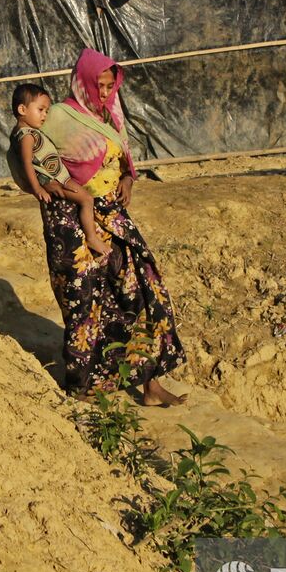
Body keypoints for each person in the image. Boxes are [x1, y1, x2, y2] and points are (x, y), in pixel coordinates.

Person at [38, 47, 186, 406]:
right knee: (86, 301)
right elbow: (32, 156)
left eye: (109, 85)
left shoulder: (110, 115)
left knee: (145, 289)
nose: (104, 93)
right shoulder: (58, 116)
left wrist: (129, 181)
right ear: (83, 80)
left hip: (114, 214)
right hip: (75, 220)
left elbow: (123, 160)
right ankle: (82, 387)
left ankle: (150, 382)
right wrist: (63, 198)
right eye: (99, 85)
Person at [8, 83, 110, 258]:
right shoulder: (26, 136)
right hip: (53, 181)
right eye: (40, 109)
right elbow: (26, 163)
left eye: (46, 111)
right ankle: (92, 237)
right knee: (86, 199)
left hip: (59, 178)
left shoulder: (26, 132)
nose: (44, 115)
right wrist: (37, 188)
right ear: (22, 109)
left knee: (84, 197)